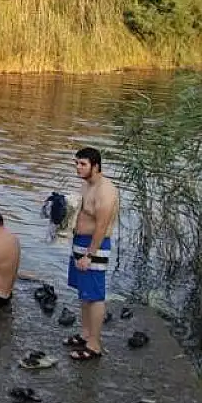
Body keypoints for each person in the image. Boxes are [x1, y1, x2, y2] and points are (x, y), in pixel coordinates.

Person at [66, 147, 120, 361]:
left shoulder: (105, 190)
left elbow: (102, 225)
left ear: (95, 166)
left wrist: (90, 254)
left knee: (95, 295)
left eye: (83, 164)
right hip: (80, 243)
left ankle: (94, 345)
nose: (78, 168)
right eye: (77, 163)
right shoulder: (87, 185)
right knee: (84, 292)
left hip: (94, 246)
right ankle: (85, 334)